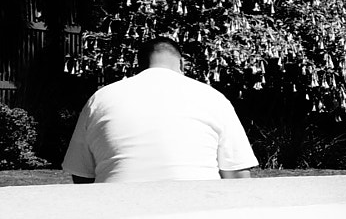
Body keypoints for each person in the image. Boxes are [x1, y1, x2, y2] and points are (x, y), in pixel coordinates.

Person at [63, 37, 257, 183]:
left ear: (139, 66)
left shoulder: (100, 98)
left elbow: (81, 175)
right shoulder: (213, 97)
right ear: (182, 64)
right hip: (198, 213)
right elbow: (238, 174)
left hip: (119, 217)